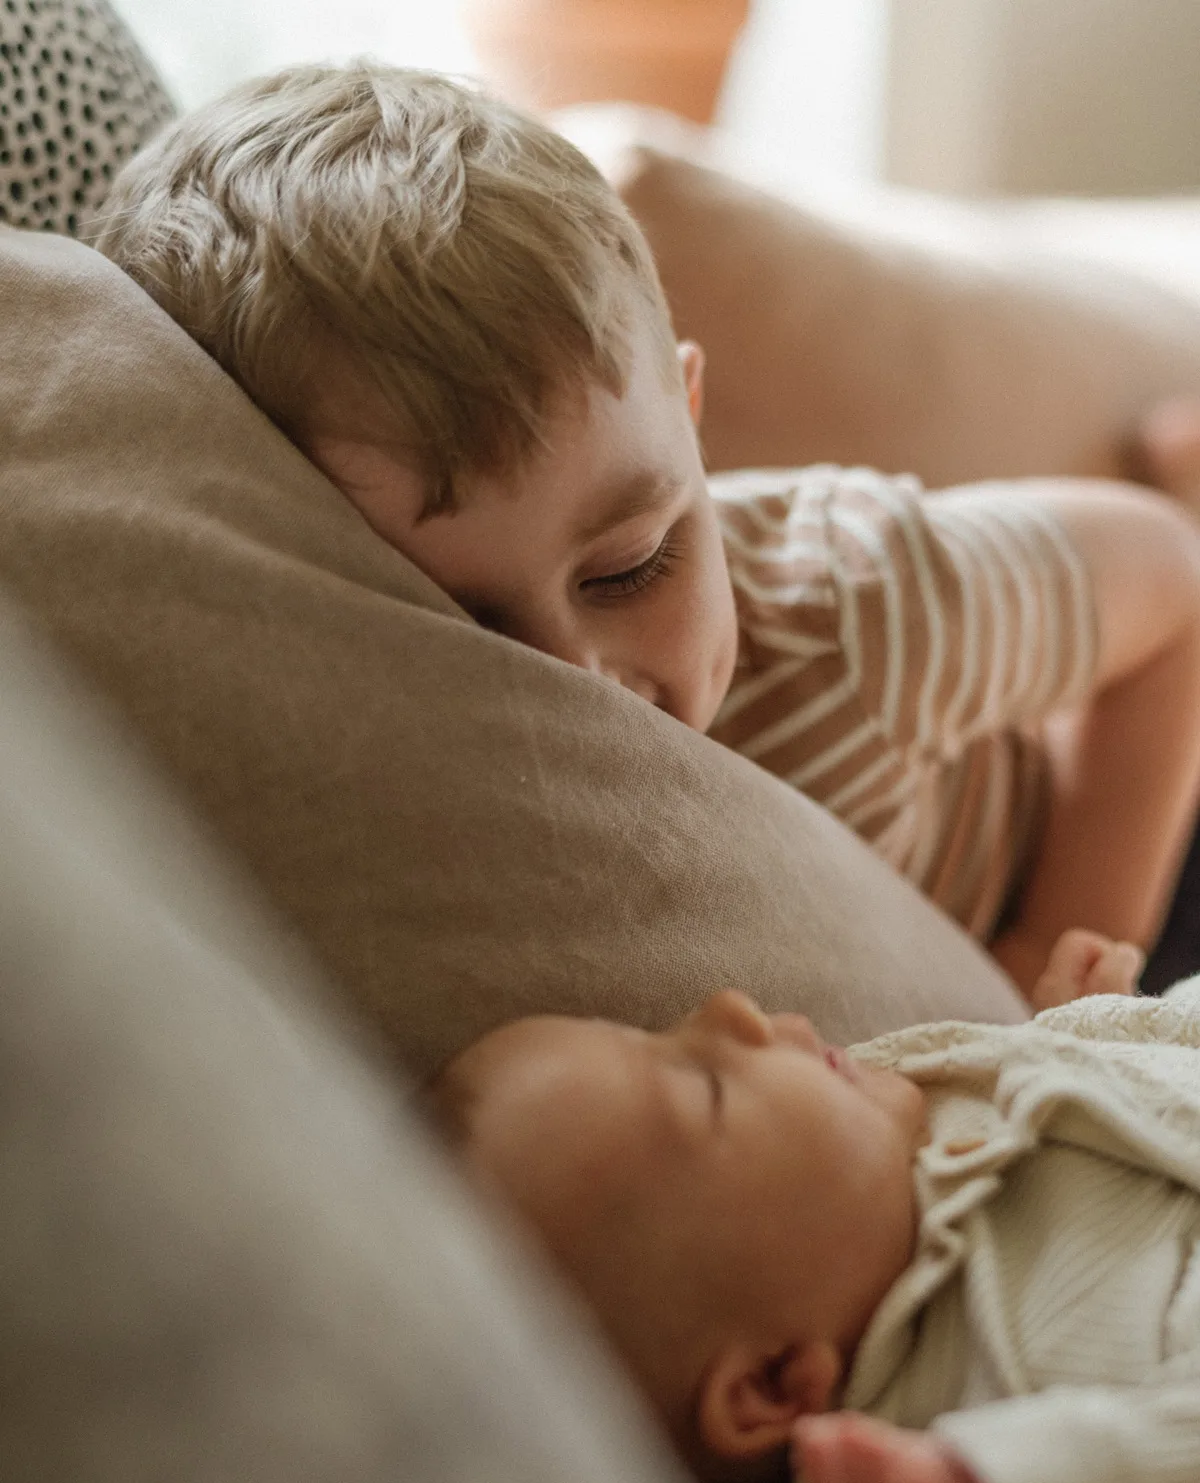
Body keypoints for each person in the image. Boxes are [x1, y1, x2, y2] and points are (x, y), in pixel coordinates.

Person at [89, 65, 1200, 999]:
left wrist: (1052, 955)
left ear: (693, 417)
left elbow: (1167, 584)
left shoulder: (849, 607)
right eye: (455, 622)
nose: (578, 681)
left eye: (632, 568)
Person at [427, 927, 1200, 1483]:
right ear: (772, 1383)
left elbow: (1095, 1087)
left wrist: (1082, 1025)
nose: (729, 1011)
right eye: (708, 1089)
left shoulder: (906, 1123)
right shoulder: (998, 1371)